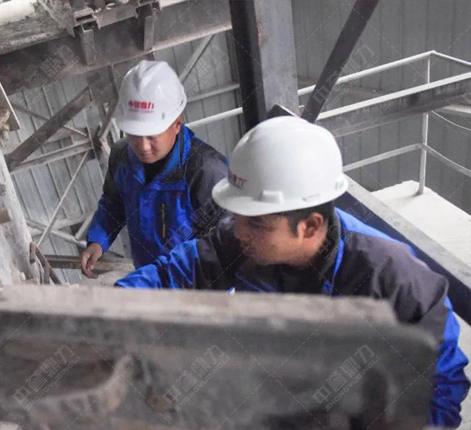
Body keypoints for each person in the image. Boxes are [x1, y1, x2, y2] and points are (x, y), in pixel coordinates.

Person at [115, 116, 470, 427]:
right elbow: (173, 274)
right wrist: (108, 309)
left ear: (310, 226)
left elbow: (441, 386)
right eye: (237, 216)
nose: (238, 231)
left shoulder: (392, 279)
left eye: (256, 222)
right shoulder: (242, 240)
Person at [80, 60, 228, 277]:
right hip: (150, 274)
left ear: (176, 124)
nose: (143, 147)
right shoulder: (121, 157)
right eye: (134, 135)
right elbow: (113, 203)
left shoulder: (207, 171)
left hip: (195, 282)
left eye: (151, 136)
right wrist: (98, 241)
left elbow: (228, 242)